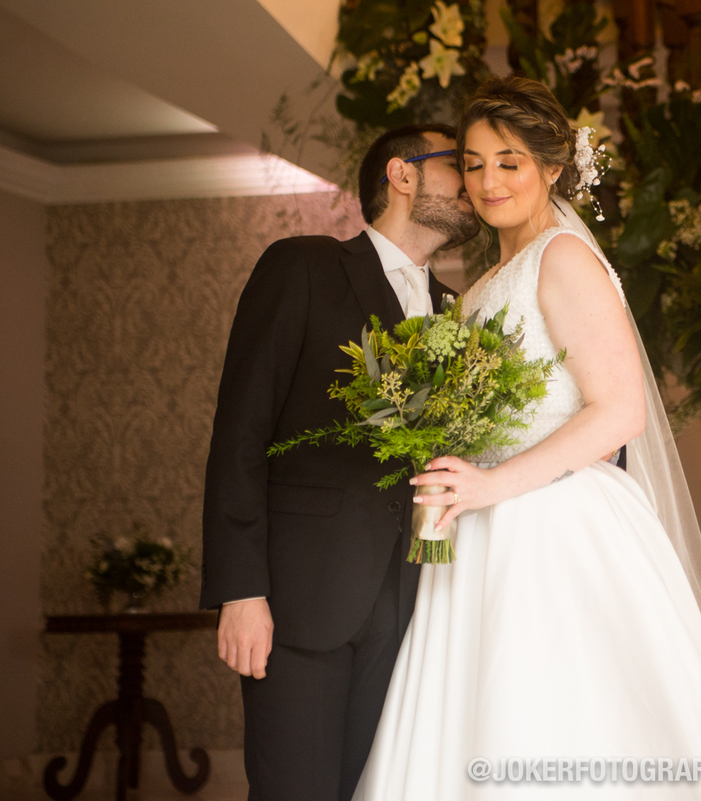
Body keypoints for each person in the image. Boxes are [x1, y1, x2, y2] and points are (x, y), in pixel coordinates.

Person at [353, 77, 701, 800]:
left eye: (509, 162)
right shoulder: (484, 281)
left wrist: (490, 484)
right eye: (474, 163)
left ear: (551, 167)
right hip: (478, 534)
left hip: (554, 531)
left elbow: (619, 413)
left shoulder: (563, 258)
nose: (487, 181)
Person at [200, 123, 479, 801]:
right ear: (402, 173)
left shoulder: (462, 312)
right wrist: (241, 590)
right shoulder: (302, 266)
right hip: (302, 599)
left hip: (416, 608)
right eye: (458, 165)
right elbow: (241, 433)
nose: (473, 184)